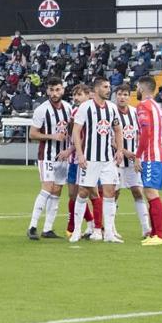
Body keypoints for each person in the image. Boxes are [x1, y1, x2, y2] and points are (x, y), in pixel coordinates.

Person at [70, 77, 125, 244]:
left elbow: (118, 129)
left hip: (107, 159)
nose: (109, 90)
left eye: (109, 87)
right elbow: (76, 131)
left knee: (110, 193)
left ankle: (108, 233)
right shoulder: (85, 107)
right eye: (105, 87)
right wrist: (80, 154)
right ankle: (76, 231)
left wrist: (120, 150)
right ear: (96, 89)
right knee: (83, 193)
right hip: (90, 159)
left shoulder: (112, 108)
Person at [26, 77, 72, 240]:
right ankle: (32, 226)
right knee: (47, 188)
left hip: (63, 156)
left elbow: (72, 131)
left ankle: (48, 228)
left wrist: (69, 149)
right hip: (47, 156)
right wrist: (52, 136)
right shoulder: (42, 110)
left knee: (57, 190)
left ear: (62, 90)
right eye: (51, 90)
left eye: (57, 89)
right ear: (47, 91)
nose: (54, 93)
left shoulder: (68, 108)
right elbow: (32, 134)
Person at [113, 83, 151, 241]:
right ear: (116, 96)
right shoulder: (111, 112)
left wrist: (138, 154)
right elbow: (109, 138)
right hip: (116, 159)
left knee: (137, 191)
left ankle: (146, 228)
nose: (122, 97)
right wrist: (124, 151)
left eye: (125, 95)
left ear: (130, 97)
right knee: (114, 193)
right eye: (119, 94)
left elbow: (141, 134)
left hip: (133, 160)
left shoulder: (135, 113)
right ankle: (111, 229)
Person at [135, 76, 162, 246]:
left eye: (137, 87)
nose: (136, 90)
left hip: (151, 156)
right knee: (151, 193)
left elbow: (146, 133)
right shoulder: (157, 106)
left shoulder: (143, 106)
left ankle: (160, 236)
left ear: (141, 88)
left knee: (151, 193)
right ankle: (154, 233)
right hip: (160, 155)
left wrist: (137, 156)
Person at [63, 84, 99, 239]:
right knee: (73, 194)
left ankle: (96, 227)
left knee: (90, 192)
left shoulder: (91, 111)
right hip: (74, 160)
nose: (76, 98)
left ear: (88, 95)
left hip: (85, 159)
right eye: (74, 95)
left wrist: (71, 150)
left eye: (79, 94)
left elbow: (84, 137)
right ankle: (90, 223)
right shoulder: (74, 111)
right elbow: (74, 135)